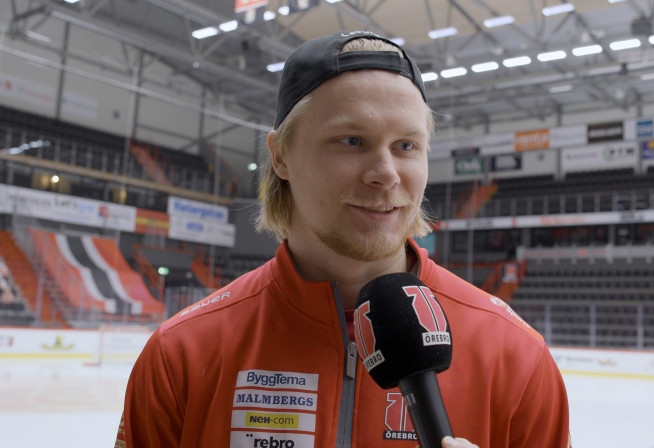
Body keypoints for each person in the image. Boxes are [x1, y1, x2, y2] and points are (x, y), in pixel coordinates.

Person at [118, 31, 570, 448]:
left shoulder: (516, 356)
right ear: (280, 156)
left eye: (406, 146)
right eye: (351, 140)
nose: (386, 173)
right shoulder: (180, 354)